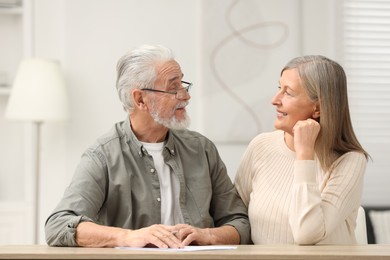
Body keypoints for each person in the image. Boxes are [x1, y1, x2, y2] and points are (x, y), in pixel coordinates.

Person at [45, 44, 250, 248]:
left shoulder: (203, 150)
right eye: (173, 88)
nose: (186, 96)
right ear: (140, 99)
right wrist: (128, 237)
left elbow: (240, 223)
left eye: (183, 85)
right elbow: (59, 225)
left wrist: (208, 235)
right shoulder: (103, 156)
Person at [234, 55, 369, 245]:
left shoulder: (349, 160)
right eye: (278, 88)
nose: (275, 100)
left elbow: (307, 234)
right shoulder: (260, 146)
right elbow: (236, 217)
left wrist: (304, 155)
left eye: (288, 93)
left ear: (318, 109)